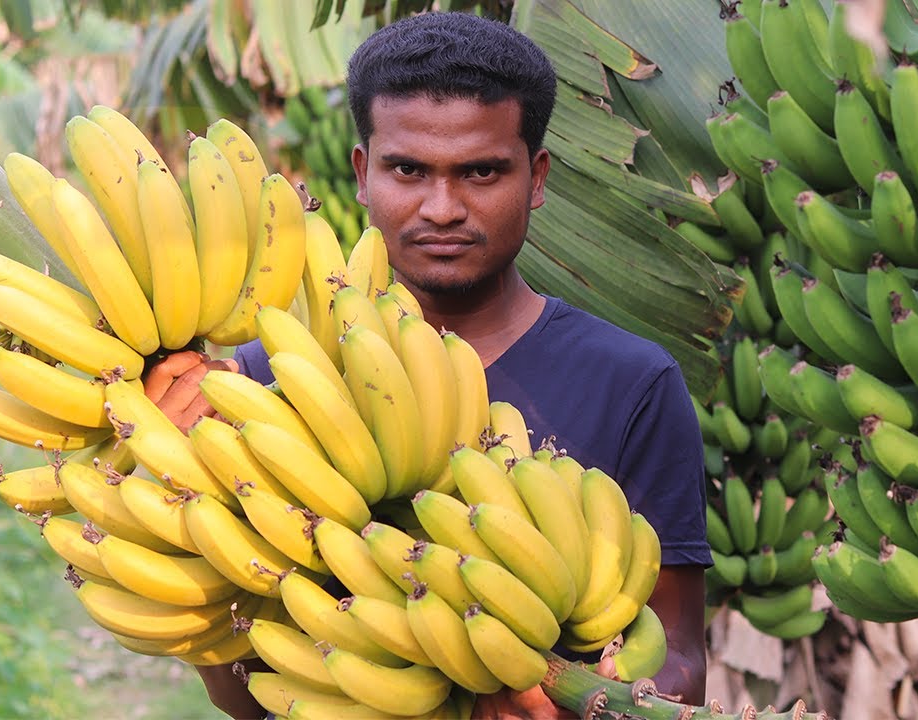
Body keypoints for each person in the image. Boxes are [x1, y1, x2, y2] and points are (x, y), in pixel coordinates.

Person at [146, 11, 711, 719]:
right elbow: (251, 695)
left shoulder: (631, 383)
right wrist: (174, 475)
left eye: (481, 171)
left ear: (536, 177)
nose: (442, 209)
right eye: (408, 170)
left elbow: (681, 655)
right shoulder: (271, 382)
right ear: (363, 174)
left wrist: (583, 695)